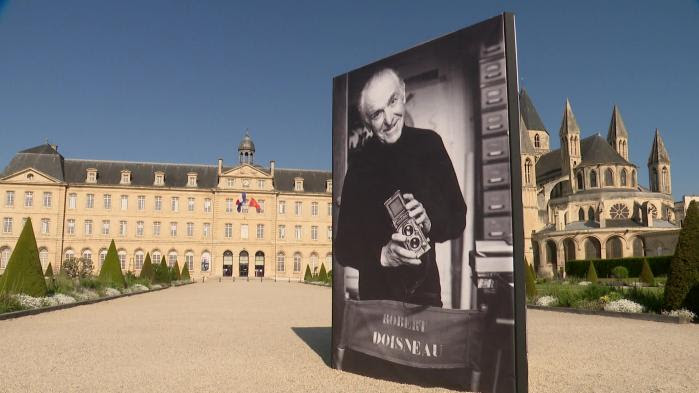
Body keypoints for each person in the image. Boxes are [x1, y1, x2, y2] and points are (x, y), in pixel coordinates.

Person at [335, 68, 467, 307]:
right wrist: (382, 256)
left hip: (425, 296)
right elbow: (343, 248)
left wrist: (430, 221)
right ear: (367, 122)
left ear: (403, 94)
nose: (389, 119)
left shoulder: (430, 145)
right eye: (376, 114)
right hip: (376, 299)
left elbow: (459, 217)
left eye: (392, 101)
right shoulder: (358, 166)